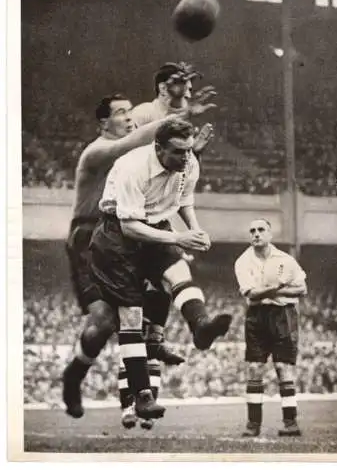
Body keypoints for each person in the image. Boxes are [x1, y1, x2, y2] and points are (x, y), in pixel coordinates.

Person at [62, 94, 214, 423]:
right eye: (120, 113)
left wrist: (190, 150)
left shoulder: (144, 156)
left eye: (131, 111)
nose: (130, 118)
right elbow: (138, 142)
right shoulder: (98, 150)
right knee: (102, 323)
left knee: (162, 281)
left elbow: (171, 171)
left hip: (134, 229)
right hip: (91, 236)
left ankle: (155, 344)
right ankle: (74, 376)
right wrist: (182, 114)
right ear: (103, 123)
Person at [90, 118, 232, 421]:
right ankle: (141, 397)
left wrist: (195, 230)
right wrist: (178, 237)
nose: (186, 158)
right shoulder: (133, 167)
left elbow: (184, 199)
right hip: (117, 236)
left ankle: (201, 326)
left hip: (156, 226)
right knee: (130, 315)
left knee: (178, 269)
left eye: (189, 151)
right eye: (179, 152)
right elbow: (130, 227)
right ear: (158, 148)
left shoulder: (189, 161)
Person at [234, 219, 307, 437]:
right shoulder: (242, 262)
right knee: (255, 369)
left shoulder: (286, 259)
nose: (256, 234)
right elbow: (250, 294)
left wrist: (269, 291)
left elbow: (302, 288)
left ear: (270, 234)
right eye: (252, 230)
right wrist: (279, 287)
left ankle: (290, 423)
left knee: (283, 368)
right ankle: (253, 424)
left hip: (283, 316)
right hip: (257, 316)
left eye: (260, 230)